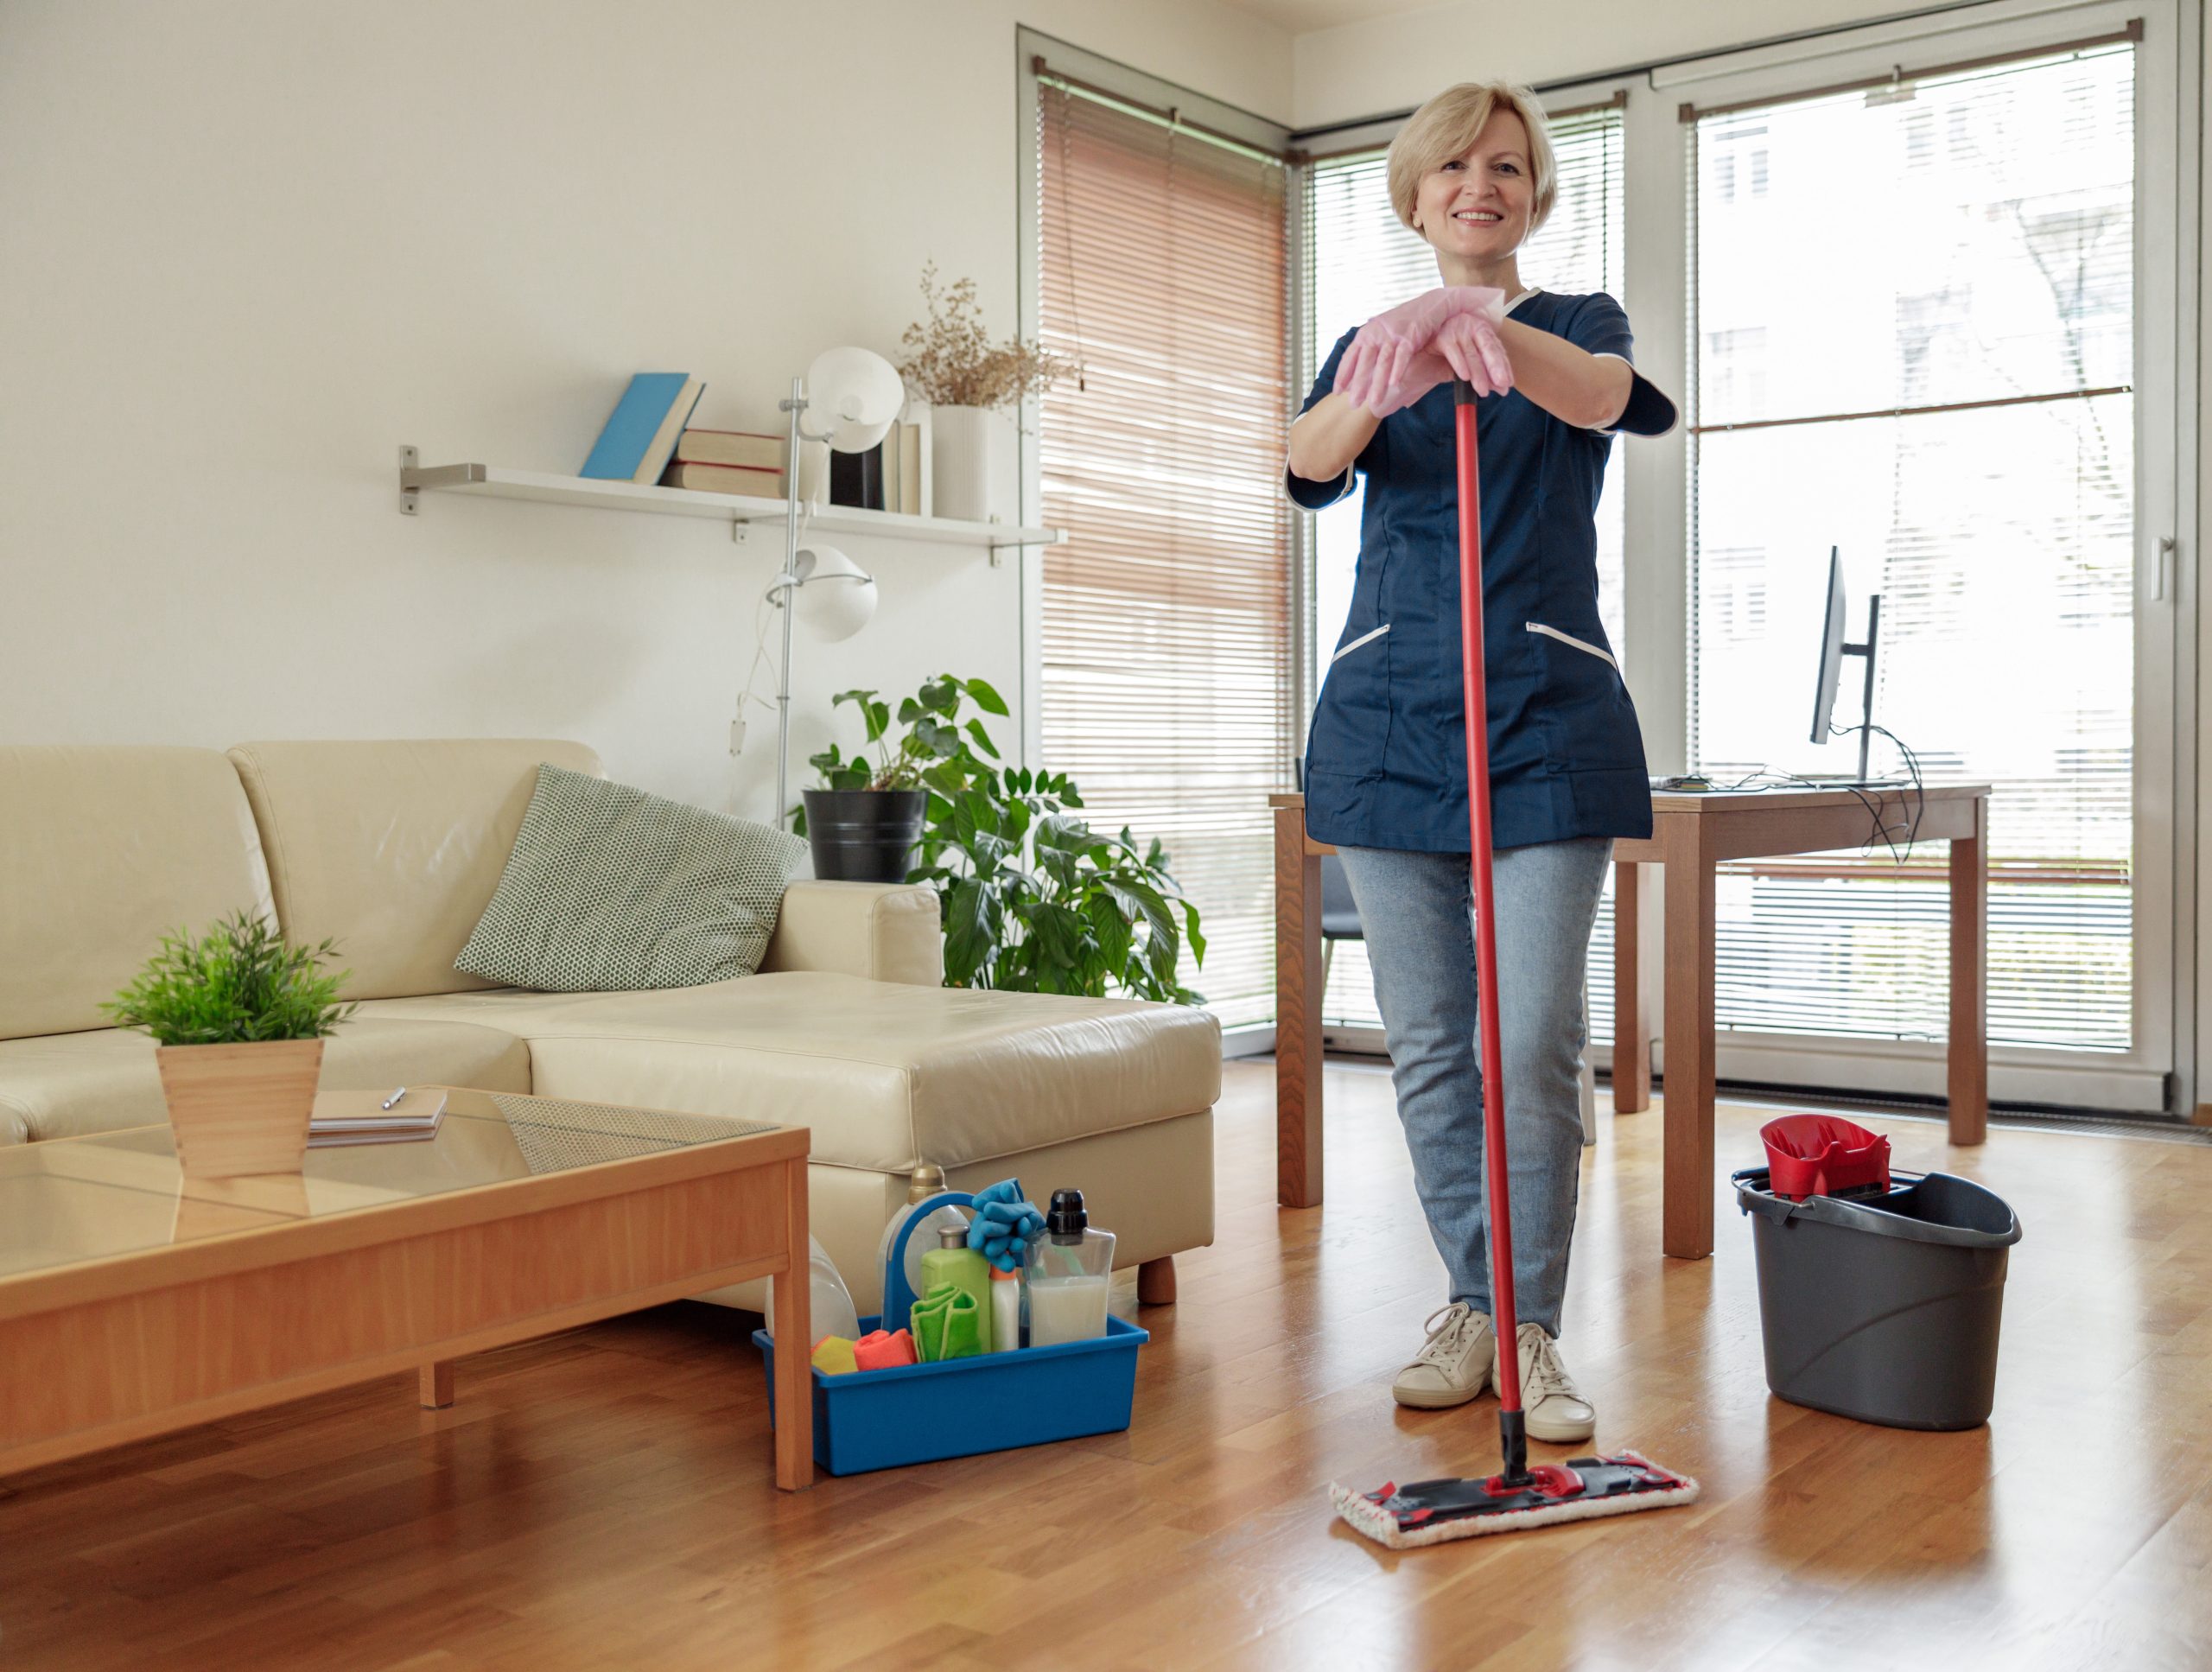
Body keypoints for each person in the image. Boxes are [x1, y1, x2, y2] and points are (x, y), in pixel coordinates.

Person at [1285, 79, 1675, 1443]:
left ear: (1534, 192)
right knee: (1435, 1044)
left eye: (1506, 167)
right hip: (1392, 718)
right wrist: (1395, 350)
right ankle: (1471, 1303)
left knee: (1535, 1035)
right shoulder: (1367, 341)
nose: (1479, 186)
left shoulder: (1576, 325)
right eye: (1453, 167)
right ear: (1413, 192)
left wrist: (1477, 329)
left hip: (1546, 712)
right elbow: (1307, 463)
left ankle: (1532, 1330)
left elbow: (1619, 402)